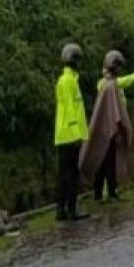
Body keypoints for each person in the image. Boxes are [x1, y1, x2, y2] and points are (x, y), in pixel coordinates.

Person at [82, 50, 134, 202]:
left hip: (108, 128)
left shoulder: (110, 83)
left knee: (105, 160)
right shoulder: (107, 85)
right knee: (107, 161)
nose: (119, 70)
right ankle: (108, 193)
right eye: (118, 66)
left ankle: (101, 194)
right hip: (107, 128)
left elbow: (124, 81)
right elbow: (122, 83)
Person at [53, 43, 90, 222]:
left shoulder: (67, 80)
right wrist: (77, 134)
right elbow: (69, 109)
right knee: (71, 174)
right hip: (70, 134)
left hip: (63, 134)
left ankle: (61, 210)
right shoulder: (68, 82)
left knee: (63, 174)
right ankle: (71, 209)